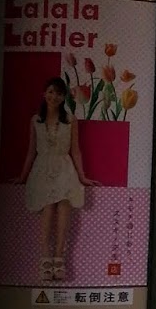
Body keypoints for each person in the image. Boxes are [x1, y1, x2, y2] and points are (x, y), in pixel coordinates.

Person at [15, 76, 94, 284]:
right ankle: (45, 257)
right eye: (51, 92)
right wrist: (23, 176)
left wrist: (82, 176)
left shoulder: (70, 120)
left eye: (59, 93)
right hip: (43, 169)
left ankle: (59, 257)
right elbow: (31, 151)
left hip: (64, 168)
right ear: (44, 94)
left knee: (64, 204)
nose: (54, 96)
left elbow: (75, 150)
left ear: (63, 97)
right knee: (48, 207)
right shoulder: (36, 120)